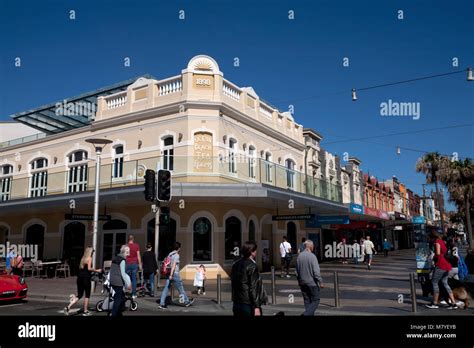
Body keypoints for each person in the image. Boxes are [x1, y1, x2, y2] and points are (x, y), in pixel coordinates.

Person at [64, 247, 102, 316]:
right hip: (86, 279)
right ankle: (85, 311)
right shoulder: (89, 258)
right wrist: (97, 270)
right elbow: (89, 268)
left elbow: (83, 269)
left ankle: (68, 307)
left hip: (79, 278)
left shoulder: (83, 259)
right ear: (90, 252)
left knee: (79, 295)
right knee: (87, 295)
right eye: (92, 252)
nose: (93, 253)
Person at [231, 241, 264, 316]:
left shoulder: (235, 264)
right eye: (255, 250)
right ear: (251, 252)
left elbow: (233, 284)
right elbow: (253, 287)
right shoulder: (252, 266)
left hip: (237, 302)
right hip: (248, 303)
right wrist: (257, 307)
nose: (256, 252)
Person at [426, 232, 458, 309]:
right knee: (445, 283)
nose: (429, 240)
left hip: (440, 264)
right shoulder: (442, 242)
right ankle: (453, 303)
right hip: (447, 265)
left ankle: (435, 303)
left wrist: (434, 257)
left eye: (429, 238)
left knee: (434, 282)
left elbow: (437, 253)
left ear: (432, 237)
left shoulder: (437, 242)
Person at [158, 242, 194, 309]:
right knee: (180, 289)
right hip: (174, 274)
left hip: (169, 273)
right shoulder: (176, 255)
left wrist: (170, 274)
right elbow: (174, 265)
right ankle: (187, 302)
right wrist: (171, 275)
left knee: (166, 288)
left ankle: (161, 303)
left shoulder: (170, 254)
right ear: (179, 248)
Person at [296, 240, 324, 316]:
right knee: (316, 300)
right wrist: (320, 281)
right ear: (310, 246)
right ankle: (305, 314)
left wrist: (299, 281)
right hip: (312, 283)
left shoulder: (299, 256)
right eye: (313, 246)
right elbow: (316, 272)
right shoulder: (312, 256)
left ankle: (308, 314)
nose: (313, 247)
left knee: (307, 301)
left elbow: (297, 271)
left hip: (302, 283)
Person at [109, 245, 132, 317]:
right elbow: (123, 274)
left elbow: (112, 270)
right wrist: (128, 284)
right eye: (128, 250)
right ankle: (113, 313)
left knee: (121, 297)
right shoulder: (122, 260)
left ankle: (118, 312)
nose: (129, 252)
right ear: (125, 251)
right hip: (118, 282)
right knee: (118, 300)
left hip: (112, 280)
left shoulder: (115, 258)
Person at [126, 235, 142, 299]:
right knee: (134, 279)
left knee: (126, 278)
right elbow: (138, 255)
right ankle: (134, 294)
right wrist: (140, 264)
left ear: (128, 239)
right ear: (133, 239)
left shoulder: (126, 246)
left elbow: (125, 255)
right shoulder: (136, 246)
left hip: (127, 263)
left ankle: (125, 291)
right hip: (134, 264)